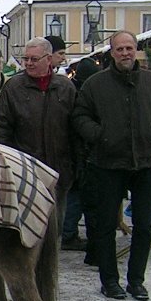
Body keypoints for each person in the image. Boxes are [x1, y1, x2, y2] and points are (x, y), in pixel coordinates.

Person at [72, 31, 151, 301]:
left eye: (129, 48)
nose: (125, 53)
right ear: (112, 52)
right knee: (105, 225)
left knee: (143, 224)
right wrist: (99, 136)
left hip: (144, 162)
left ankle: (136, 280)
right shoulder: (95, 85)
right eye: (120, 49)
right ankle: (110, 280)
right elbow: (80, 116)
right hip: (107, 164)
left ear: (136, 50)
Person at [0, 37, 77, 231]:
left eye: (34, 59)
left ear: (48, 59)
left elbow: (75, 130)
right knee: (27, 229)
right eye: (26, 59)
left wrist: (75, 168)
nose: (28, 63)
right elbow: (2, 129)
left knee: (54, 228)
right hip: (25, 172)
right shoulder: (14, 87)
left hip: (59, 172)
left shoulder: (65, 88)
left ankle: (51, 262)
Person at [61, 57, 101, 253]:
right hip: (77, 151)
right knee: (76, 197)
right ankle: (68, 234)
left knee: (74, 196)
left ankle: (69, 233)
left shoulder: (71, 89)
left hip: (75, 151)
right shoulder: (80, 93)